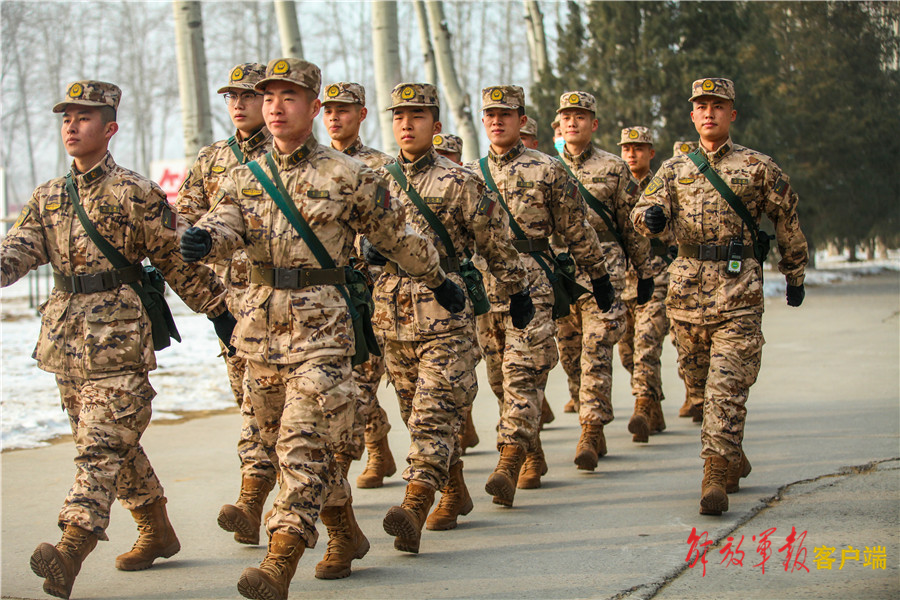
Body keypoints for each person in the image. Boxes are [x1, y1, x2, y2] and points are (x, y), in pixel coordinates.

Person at [180, 58, 464, 599]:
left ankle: (279, 561)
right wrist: (203, 240)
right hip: (260, 330)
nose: (276, 106)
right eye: (270, 97)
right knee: (274, 441)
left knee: (304, 442)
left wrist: (437, 277)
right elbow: (225, 223)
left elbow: (395, 234)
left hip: (324, 333)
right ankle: (345, 532)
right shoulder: (244, 175)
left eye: (289, 97)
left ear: (312, 108)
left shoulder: (349, 174)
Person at [1, 80, 235, 600]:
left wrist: (219, 312)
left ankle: (72, 546)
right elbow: (17, 249)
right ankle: (157, 530)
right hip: (65, 342)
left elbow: (175, 259)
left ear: (109, 129)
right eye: (66, 117)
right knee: (115, 444)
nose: (71, 125)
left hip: (120, 341)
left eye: (84, 118)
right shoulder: (48, 196)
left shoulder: (135, 192)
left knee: (100, 446)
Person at [631, 77, 808, 515]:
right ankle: (732, 452)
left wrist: (795, 273)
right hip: (686, 294)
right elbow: (639, 213)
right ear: (692, 116)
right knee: (697, 382)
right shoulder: (673, 170)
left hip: (738, 290)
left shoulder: (758, 167)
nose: (709, 112)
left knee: (726, 386)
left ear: (732, 114)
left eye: (718, 105)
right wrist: (650, 218)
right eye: (701, 106)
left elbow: (786, 216)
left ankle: (713, 474)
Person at [373, 82, 531, 553]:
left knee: (433, 416)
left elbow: (496, 244)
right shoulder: (376, 180)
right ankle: (453, 489)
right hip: (391, 317)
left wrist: (517, 289)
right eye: (399, 115)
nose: (406, 123)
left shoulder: (461, 182)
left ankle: (414, 503)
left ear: (435, 125)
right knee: (410, 410)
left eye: (417, 115)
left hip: (446, 314)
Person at [469, 85, 612, 501]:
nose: (497, 120)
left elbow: (576, 229)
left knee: (523, 374)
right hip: (486, 287)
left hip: (534, 284)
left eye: (506, 114)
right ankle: (532, 451)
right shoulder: (469, 174)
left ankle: (509, 460)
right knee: (498, 379)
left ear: (521, 119)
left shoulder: (548, 170)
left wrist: (599, 278)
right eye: (491, 114)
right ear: (483, 120)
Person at [175, 62, 278, 547]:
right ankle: (255, 497)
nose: (238, 104)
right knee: (250, 405)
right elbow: (180, 234)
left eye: (248, 95)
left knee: (294, 414)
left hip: (293, 305)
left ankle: (269, 499)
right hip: (234, 310)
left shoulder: (288, 156)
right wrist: (213, 306)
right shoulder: (211, 159)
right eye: (230, 96)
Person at [555, 92, 657, 466]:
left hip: (606, 275)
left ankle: (591, 429)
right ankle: (588, 411)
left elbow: (632, 225)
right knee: (569, 353)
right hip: (563, 277)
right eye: (566, 116)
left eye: (580, 116)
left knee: (596, 349)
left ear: (593, 124)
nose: (572, 122)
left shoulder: (614, 168)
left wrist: (644, 270)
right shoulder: (546, 168)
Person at [321, 81, 397, 489]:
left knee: (362, 380)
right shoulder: (312, 164)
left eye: (344, 110)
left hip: (370, 290)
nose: (335, 117)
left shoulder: (381, 166)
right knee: (342, 382)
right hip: (324, 291)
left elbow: (397, 228)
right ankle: (377, 443)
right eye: (329, 110)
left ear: (362, 114)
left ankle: (345, 473)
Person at [617, 126, 674, 439]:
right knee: (627, 354)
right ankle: (654, 402)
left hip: (655, 275)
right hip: (622, 278)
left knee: (646, 344)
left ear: (651, 152)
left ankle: (641, 405)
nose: (631, 154)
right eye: (626, 148)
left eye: (638, 148)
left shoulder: (663, 184)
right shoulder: (616, 184)